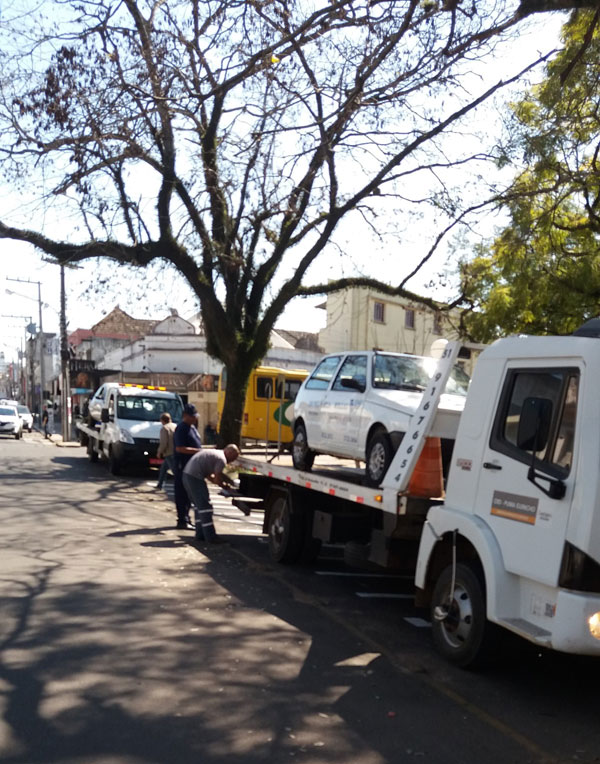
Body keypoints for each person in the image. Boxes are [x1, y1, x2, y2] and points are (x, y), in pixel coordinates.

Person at [183, 444, 240, 543]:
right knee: (205, 507)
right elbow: (217, 477)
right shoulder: (221, 459)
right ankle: (210, 536)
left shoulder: (214, 453)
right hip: (195, 477)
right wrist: (225, 487)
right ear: (229, 452)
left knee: (198, 506)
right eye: (233, 457)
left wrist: (226, 482)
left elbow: (210, 475)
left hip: (187, 475)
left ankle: (200, 534)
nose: (232, 461)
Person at [172, 403, 202, 529]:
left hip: (192, 466)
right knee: (182, 493)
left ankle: (186, 517)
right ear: (185, 416)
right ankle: (182, 519)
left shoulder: (192, 427)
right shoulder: (182, 428)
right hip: (182, 465)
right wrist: (197, 452)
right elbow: (179, 448)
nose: (194, 418)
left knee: (189, 493)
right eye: (192, 416)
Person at [156, 412, 177, 490]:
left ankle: (183, 485)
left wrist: (159, 451)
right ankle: (160, 484)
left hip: (169, 452)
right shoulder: (175, 426)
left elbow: (164, 442)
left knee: (174, 470)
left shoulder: (165, 428)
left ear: (162, 420)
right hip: (176, 451)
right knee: (163, 468)